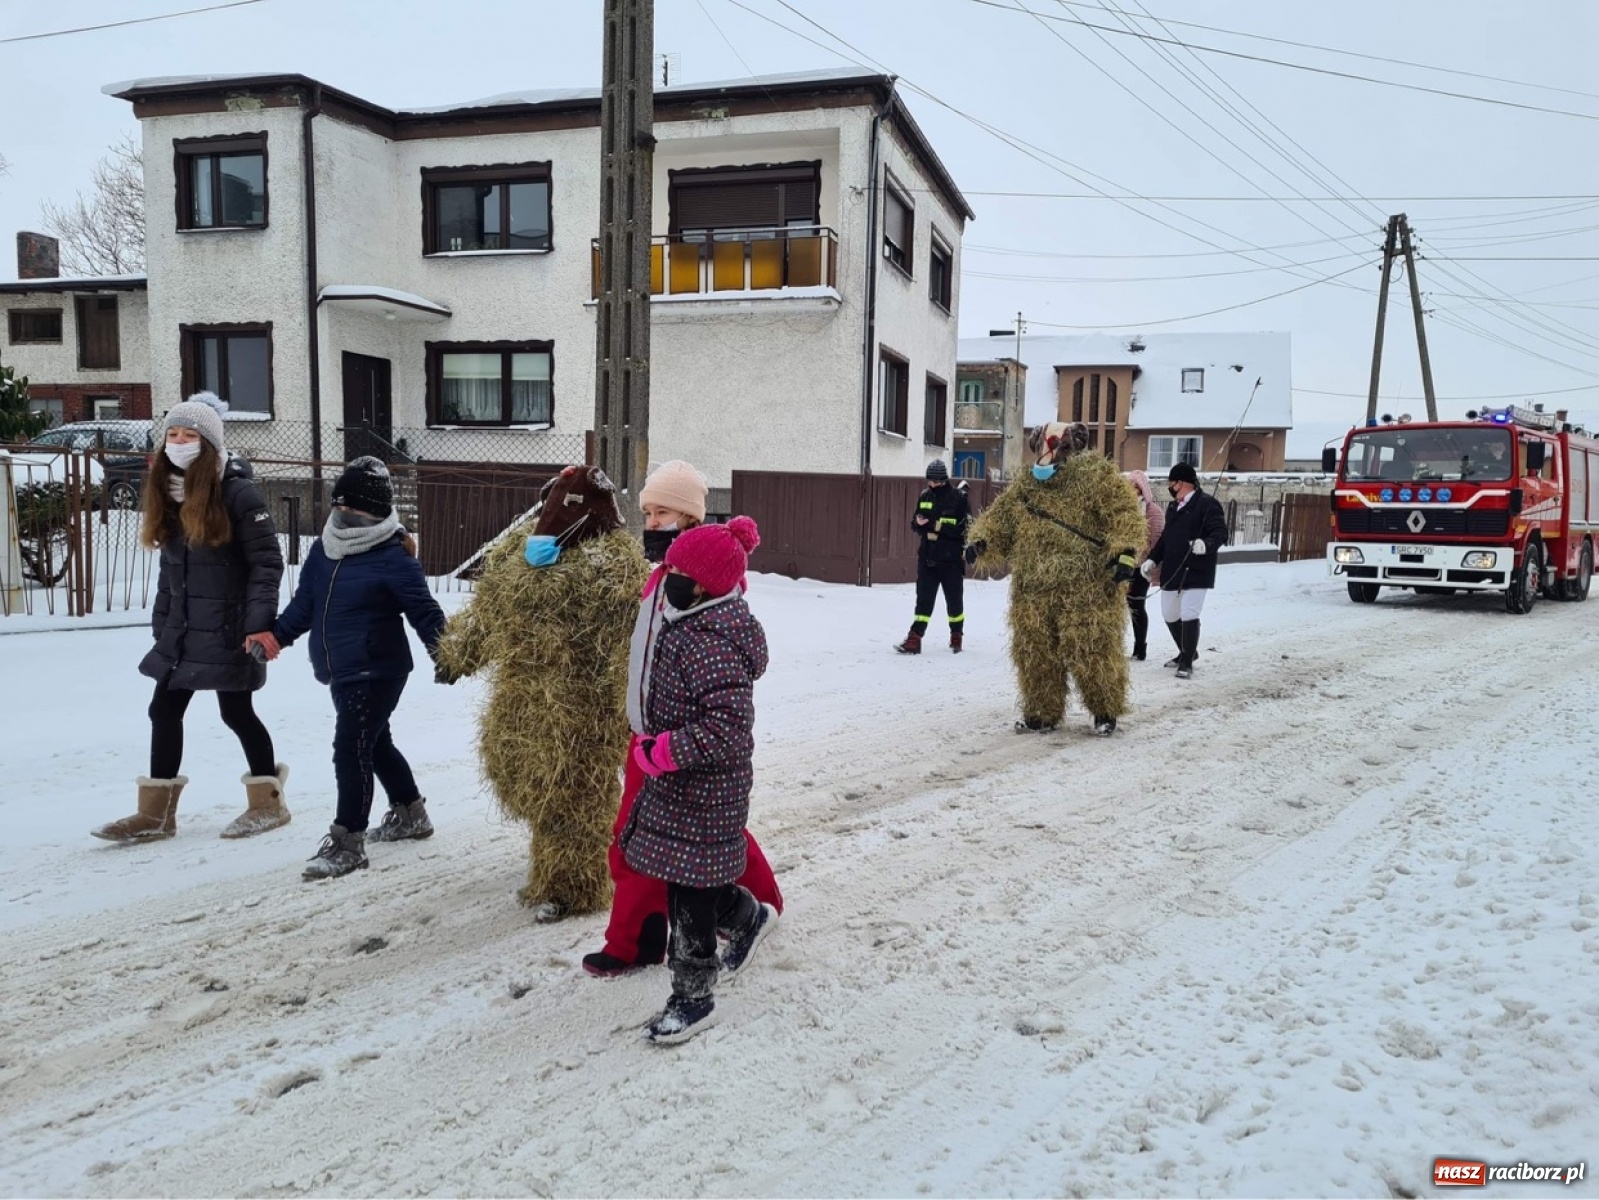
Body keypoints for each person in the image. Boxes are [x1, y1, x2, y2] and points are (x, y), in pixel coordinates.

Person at [584, 461, 785, 978]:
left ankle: (748, 910)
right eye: (648, 512)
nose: (651, 522)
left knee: (683, 836)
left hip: (683, 743)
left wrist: (676, 736)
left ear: (692, 518)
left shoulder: (704, 585)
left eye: (663, 513)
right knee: (659, 836)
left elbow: (719, 668)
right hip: (649, 736)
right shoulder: (658, 580)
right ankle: (640, 938)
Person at [436, 466, 648, 920]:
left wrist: (629, 710)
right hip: (523, 703)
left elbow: (626, 647)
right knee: (536, 790)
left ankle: (576, 888)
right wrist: (458, 654)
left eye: (566, 505)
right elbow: (491, 610)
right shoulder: (521, 553)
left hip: (579, 712)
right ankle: (552, 872)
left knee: (576, 798)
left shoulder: (613, 568)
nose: (552, 516)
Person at [93, 393, 289, 843]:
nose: (179, 442)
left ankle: (269, 804)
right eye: (173, 434)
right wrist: (163, 623)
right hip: (182, 630)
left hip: (230, 628)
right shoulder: (169, 490)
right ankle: (156, 816)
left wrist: (258, 624)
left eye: (190, 435)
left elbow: (267, 564)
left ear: (210, 444)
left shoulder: (237, 492)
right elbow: (172, 571)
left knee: (236, 712)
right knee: (163, 709)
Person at [254, 457, 449, 880]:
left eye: (354, 508)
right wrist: (276, 637)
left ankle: (348, 842)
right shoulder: (325, 549)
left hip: (378, 669)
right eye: (340, 506)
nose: (345, 515)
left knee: (350, 748)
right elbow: (305, 605)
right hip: (341, 667)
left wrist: (448, 653)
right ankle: (411, 813)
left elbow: (424, 611)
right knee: (374, 744)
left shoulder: (393, 556)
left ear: (376, 512)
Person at [619, 516, 775, 1044]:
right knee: (690, 876)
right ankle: (747, 916)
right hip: (682, 780)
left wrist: (666, 751)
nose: (669, 580)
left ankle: (694, 995)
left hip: (708, 786)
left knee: (689, 893)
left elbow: (728, 726)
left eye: (678, 573)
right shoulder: (689, 621)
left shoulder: (712, 640)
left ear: (704, 584)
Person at [966, 422, 1147, 737]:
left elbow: (1123, 514)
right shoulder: (1025, 487)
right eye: (1043, 448)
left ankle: (1105, 711)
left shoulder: (1096, 478)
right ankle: (1041, 713)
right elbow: (1000, 519)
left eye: (1059, 449)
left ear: (1073, 450)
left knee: (1091, 649)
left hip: (1086, 587)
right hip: (1033, 589)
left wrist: (1124, 553)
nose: (1048, 456)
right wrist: (982, 541)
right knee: (1036, 652)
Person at [1142, 461, 1228, 680]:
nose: (1169, 487)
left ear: (1182, 483)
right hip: (1173, 569)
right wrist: (1152, 559)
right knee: (1169, 614)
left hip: (1197, 569)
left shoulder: (1207, 504)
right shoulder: (1173, 508)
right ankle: (1187, 650)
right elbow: (1166, 538)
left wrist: (1206, 544)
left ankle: (1186, 661)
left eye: (1172, 483)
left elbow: (1220, 532)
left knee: (1189, 613)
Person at [895, 459, 972, 654]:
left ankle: (956, 635)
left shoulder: (959, 498)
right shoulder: (925, 496)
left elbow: (963, 529)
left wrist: (934, 525)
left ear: (944, 480)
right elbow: (915, 524)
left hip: (951, 559)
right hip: (928, 558)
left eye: (936, 482)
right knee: (923, 600)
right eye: (929, 481)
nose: (932, 485)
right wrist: (918, 522)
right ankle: (915, 638)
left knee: (954, 601)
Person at [1123, 470, 1165, 661]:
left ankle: (1140, 648)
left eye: (1136, 487)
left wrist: (1144, 560)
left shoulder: (1152, 512)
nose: (1132, 490)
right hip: (1122, 564)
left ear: (1142, 489)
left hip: (1141, 567)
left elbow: (1156, 542)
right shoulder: (1123, 510)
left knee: (1136, 605)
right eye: (1129, 486)